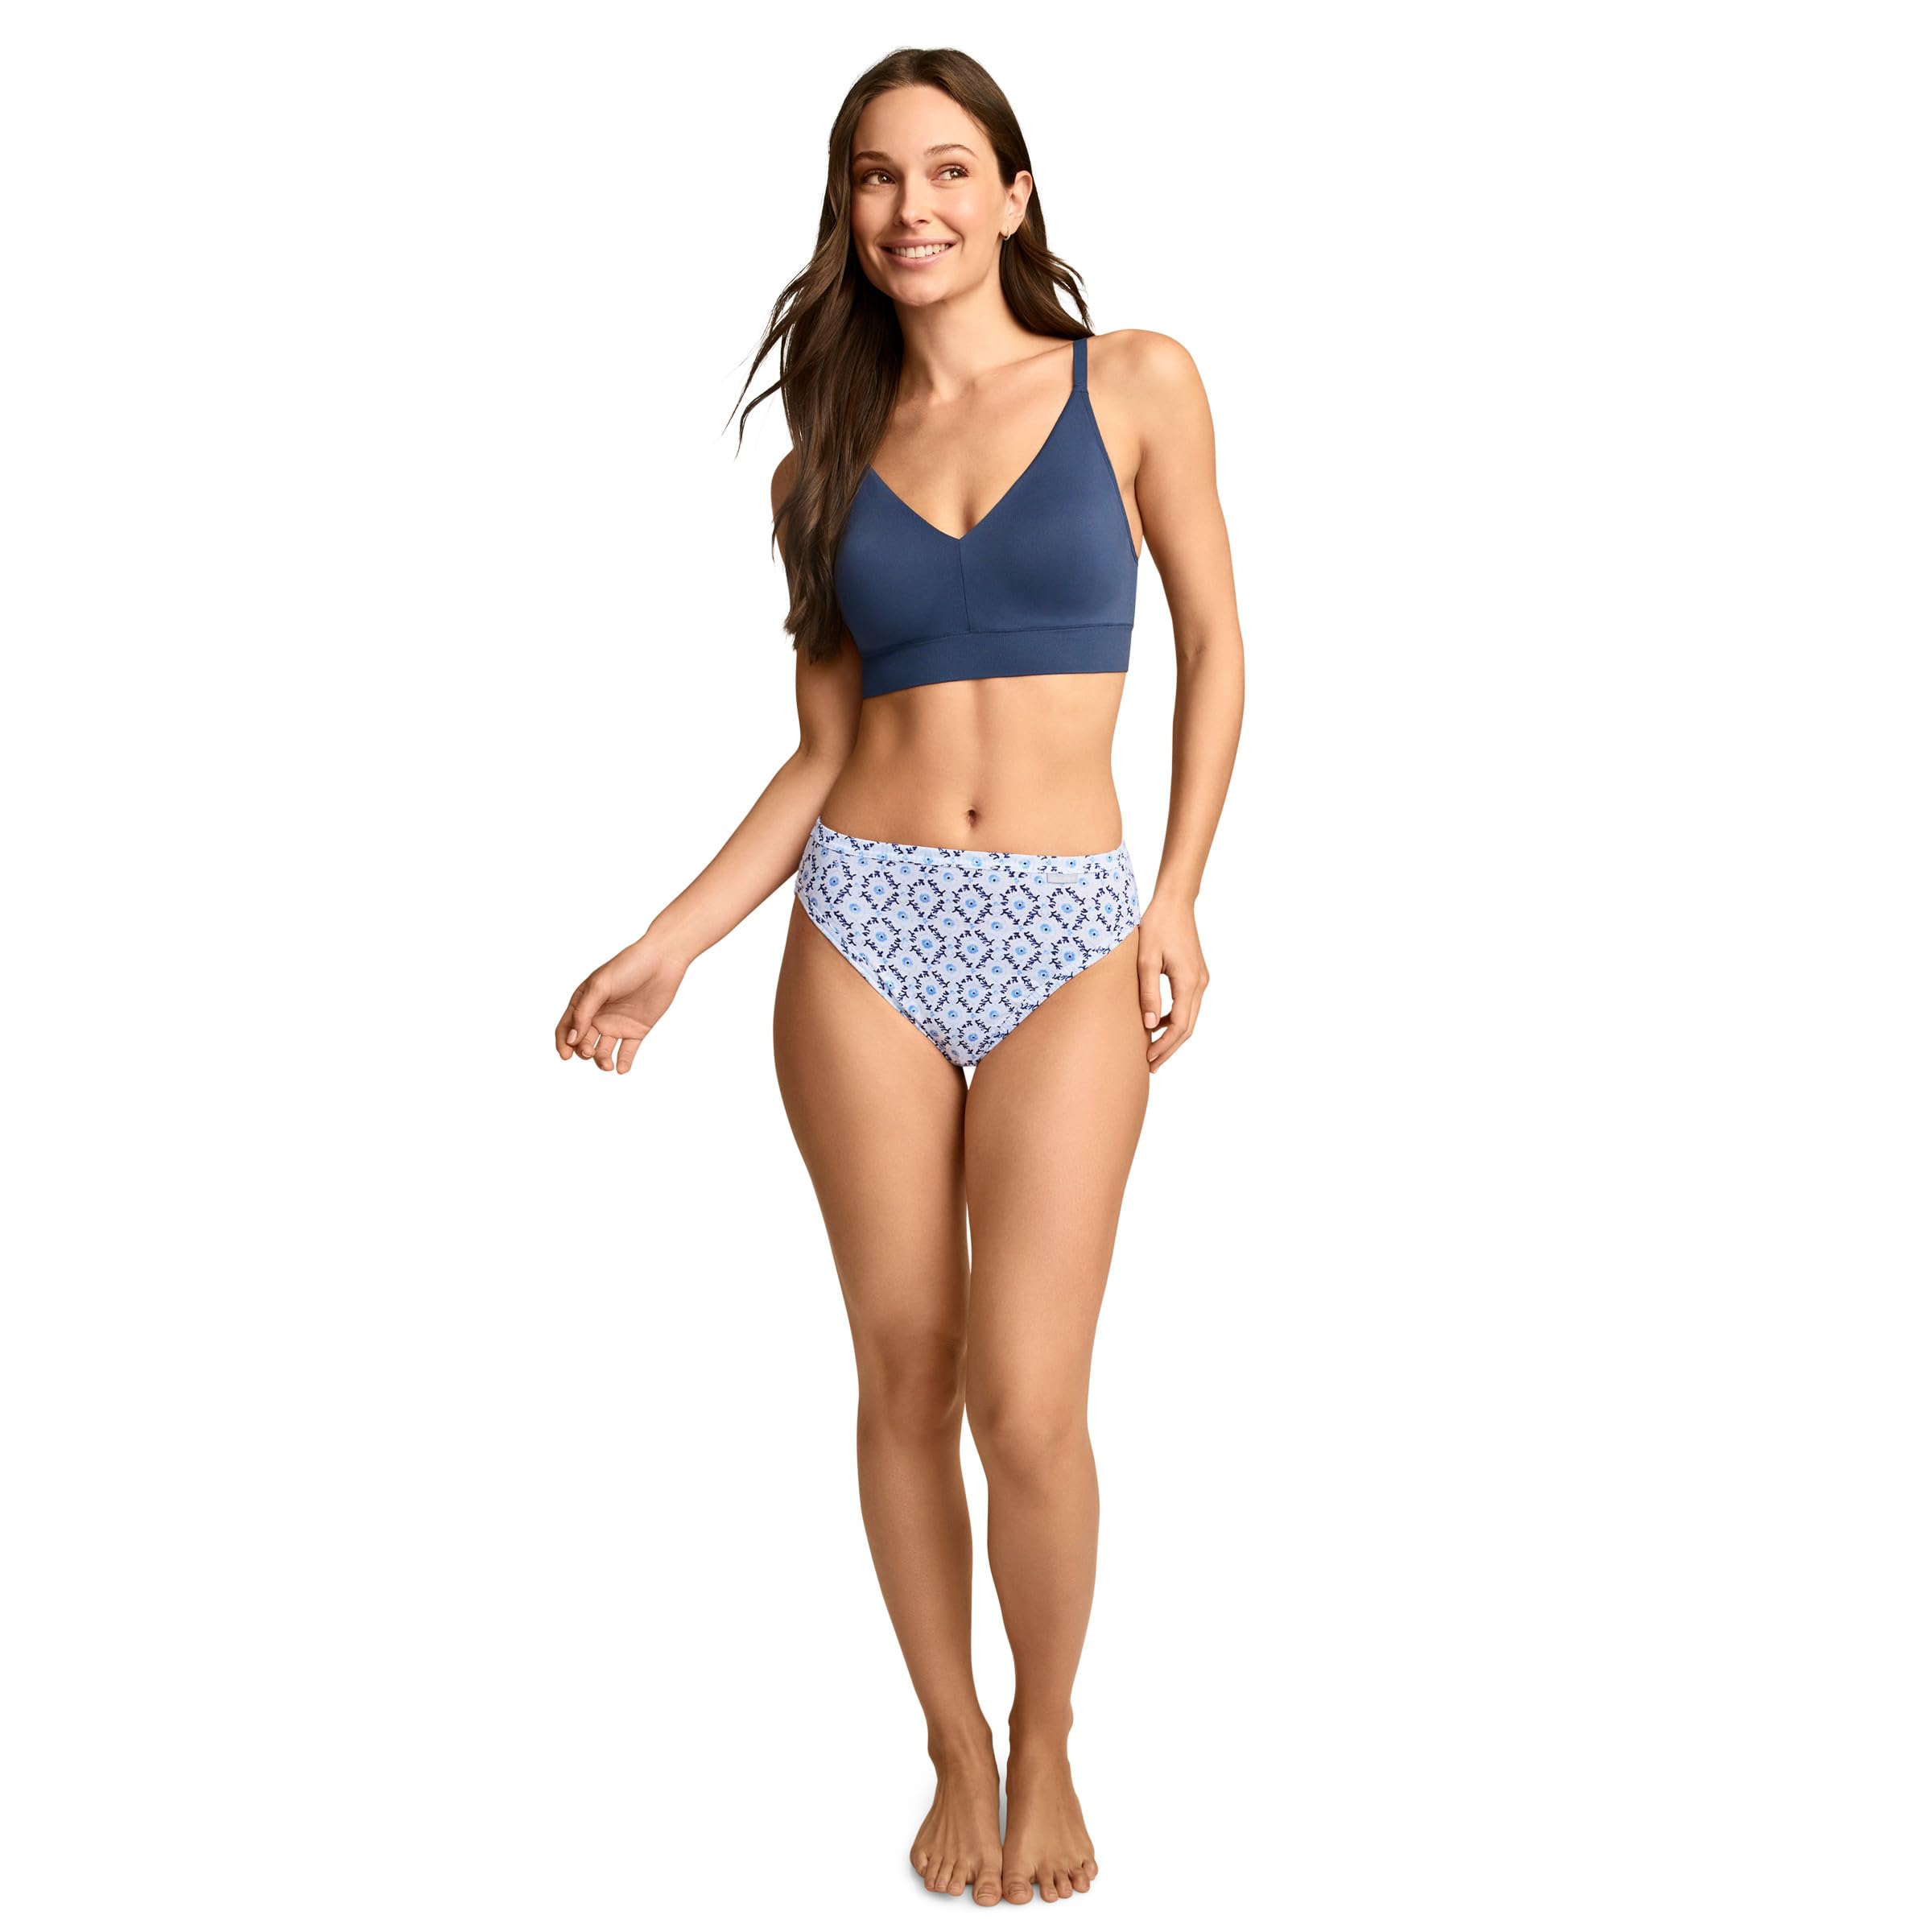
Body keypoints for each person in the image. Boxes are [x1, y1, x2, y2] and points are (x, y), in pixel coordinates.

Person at [554, 47, 1243, 1906]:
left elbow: (1217, 642)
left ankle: (1050, 1730)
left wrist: (1180, 894)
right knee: (903, 1368)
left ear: (1014, 195)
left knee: (1030, 1398)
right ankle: (952, 1741)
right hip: (861, 927)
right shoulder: (821, 467)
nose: (912, 206)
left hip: (1070, 926)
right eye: (876, 176)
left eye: (949, 169)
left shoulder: (1137, 383)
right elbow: (823, 756)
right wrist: (670, 944)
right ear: (846, 212)